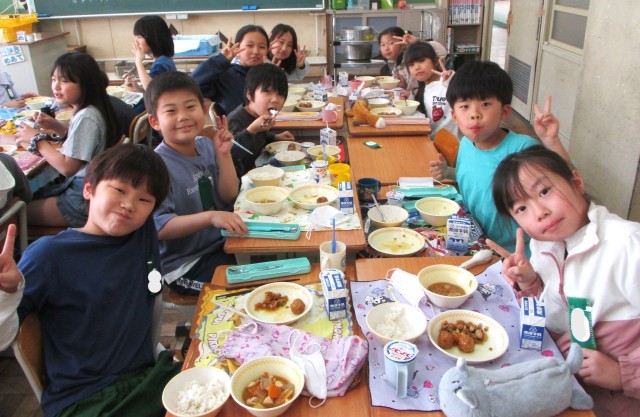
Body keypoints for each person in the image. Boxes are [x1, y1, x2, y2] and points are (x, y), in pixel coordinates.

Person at [0, 144, 182, 417]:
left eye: (144, 200)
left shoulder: (140, 232)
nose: (129, 205)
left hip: (147, 378)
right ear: (88, 189)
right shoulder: (49, 256)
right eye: (118, 190)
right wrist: (7, 292)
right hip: (88, 399)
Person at [488, 145, 640, 417]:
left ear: (576, 182)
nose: (539, 212)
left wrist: (623, 374)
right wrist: (530, 283)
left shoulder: (627, 245)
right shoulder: (547, 245)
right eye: (521, 208)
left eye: (544, 191)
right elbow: (557, 317)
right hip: (573, 390)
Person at [429, 60, 567, 253]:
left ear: (505, 111)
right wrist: (449, 173)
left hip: (519, 255)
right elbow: (475, 179)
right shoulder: (466, 144)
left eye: (485, 104)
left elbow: (567, 185)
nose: (474, 115)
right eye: (465, 106)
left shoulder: (522, 149)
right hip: (479, 243)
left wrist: (552, 141)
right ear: (454, 115)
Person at [147, 72, 248, 296]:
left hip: (221, 244)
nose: (183, 116)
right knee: (245, 292)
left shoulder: (206, 144)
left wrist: (224, 155)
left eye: (190, 107)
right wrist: (210, 217)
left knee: (271, 268)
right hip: (186, 265)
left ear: (203, 110)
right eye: (171, 111)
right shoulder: (156, 166)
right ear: (155, 122)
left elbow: (229, 195)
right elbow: (159, 227)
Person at [14, 52, 120, 228]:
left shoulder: (86, 116)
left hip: (80, 199)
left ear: (85, 84)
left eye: (64, 81)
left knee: (15, 213)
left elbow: (68, 167)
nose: (56, 86)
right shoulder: (96, 107)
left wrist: (37, 140)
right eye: (54, 79)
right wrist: (56, 126)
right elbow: (85, 145)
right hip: (89, 189)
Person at [227, 63, 295, 177]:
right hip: (240, 179)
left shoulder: (259, 115)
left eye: (281, 94)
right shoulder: (235, 120)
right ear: (249, 94)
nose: (275, 99)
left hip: (256, 170)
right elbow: (232, 155)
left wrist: (274, 137)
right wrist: (251, 130)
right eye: (267, 91)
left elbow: (258, 138)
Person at [191, 25, 269, 116]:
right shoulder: (225, 76)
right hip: (235, 125)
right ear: (237, 49)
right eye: (249, 45)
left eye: (262, 47)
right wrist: (221, 60)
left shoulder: (268, 76)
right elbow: (193, 84)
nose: (256, 51)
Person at [403, 41, 458, 140]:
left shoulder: (447, 82)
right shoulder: (423, 88)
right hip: (431, 142)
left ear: (435, 61)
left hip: (454, 145)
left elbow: (463, 90)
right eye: (412, 65)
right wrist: (409, 99)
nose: (417, 67)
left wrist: (450, 79)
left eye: (421, 61)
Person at [126, 15, 177, 92]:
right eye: (135, 37)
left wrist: (138, 61)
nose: (136, 41)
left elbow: (151, 89)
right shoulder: (163, 59)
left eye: (139, 37)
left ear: (153, 38)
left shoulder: (160, 64)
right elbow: (156, 91)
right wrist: (138, 89)